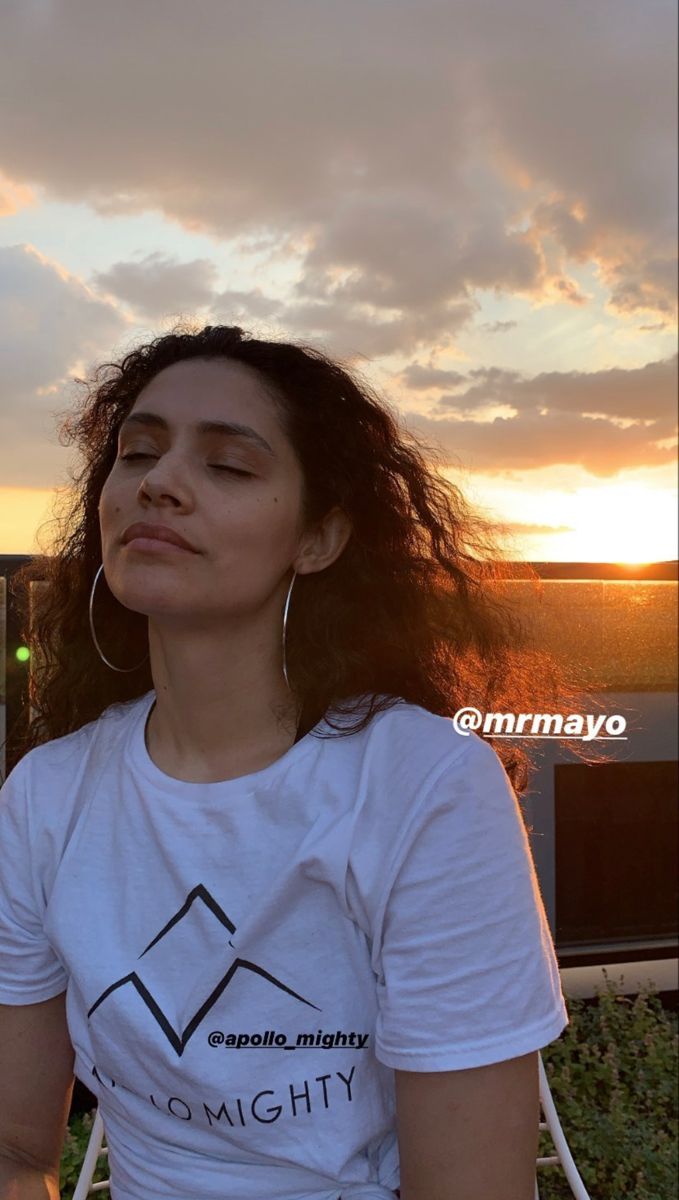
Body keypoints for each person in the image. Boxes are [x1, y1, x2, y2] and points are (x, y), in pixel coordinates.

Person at [0, 324, 570, 1200]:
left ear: (319, 539)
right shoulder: (47, 796)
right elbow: (13, 1151)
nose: (158, 483)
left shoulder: (419, 786)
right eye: (137, 453)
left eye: (227, 466)